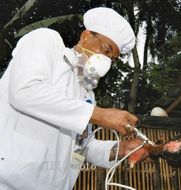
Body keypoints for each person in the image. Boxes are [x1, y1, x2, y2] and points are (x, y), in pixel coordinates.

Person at [0, 7, 144, 190]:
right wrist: (98, 114)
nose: (107, 61)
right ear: (85, 36)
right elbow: (24, 91)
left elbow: (83, 146)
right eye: (106, 50)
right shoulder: (47, 41)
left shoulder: (87, 94)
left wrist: (120, 149)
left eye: (113, 59)